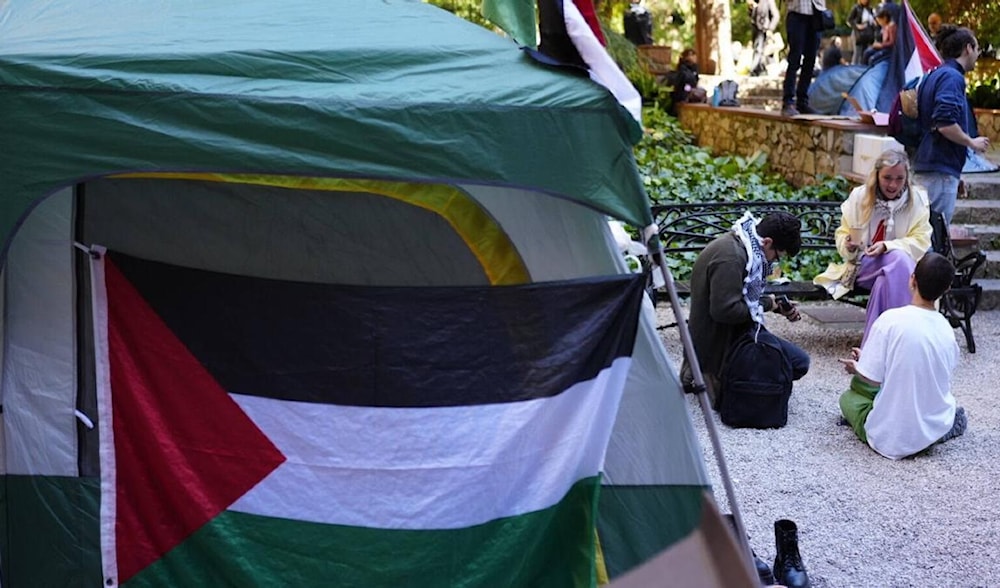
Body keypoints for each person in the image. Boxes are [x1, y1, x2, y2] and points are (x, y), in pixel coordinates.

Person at [837, 252, 966, 460]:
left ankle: (922, 433)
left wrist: (857, 366)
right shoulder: (946, 328)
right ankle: (938, 431)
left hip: (889, 436)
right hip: (934, 419)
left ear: (912, 279)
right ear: (947, 289)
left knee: (849, 397)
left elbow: (872, 378)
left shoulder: (890, 319)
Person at [682, 212, 810, 408]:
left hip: (734, 331)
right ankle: (711, 374)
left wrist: (775, 305)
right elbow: (726, 311)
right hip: (719, 341)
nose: (775, 261)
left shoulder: (745, 245)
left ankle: (721, 376)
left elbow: (743, 297)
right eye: (777, 255)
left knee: (798, 361)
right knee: (797, 363)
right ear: (767, 242)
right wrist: (768, 304)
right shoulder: (731, 258)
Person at [813, 149, 933, 346]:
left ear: (907, 177)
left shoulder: (917, 200)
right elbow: (843, 234)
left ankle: (873, 348)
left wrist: (887, 246)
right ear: (877, 175)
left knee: (886, 279)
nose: (893, 184)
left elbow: (921, 240)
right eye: (887, 178)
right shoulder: (859, 197)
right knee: (899, 260)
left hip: (900, 272)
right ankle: (906, 339)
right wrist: (849, 245)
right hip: (862, 267)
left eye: (899, 178)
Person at [912, 26, 992, 226]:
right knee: (932, 236)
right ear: (967, 48)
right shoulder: (952, 77)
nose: (977, 54)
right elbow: (945, 123)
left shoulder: (936, 74)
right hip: (938, 168)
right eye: (977, 49)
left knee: (924, 232)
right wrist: (971, 142)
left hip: (934, 165)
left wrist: (955, 174)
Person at [782, 0, 827, 116]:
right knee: (794, 59)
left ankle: (802, 101)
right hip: (797, 14)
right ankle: (788, 102)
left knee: (811, 60)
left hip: (816, 14)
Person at [749, 0, 779, 76]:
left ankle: (754, 69)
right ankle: (759, 70)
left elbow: (776, 16)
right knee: (758, 50)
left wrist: (770, 29)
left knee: (759, 50)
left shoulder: (769, 1)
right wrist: (752, 9)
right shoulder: (756, 2)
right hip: (756, 29)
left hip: (764, 29)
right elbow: (753, 17)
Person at [668, 49, 701, 116]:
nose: (694, 57)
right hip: (681, 94)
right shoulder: (683, 69)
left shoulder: (694, 68)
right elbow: (685, 84)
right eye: (692, 55)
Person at [847, 0, 877, 65]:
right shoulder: (856, 8)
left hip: (867, 34)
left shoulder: (870, 9)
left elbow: (873, 21)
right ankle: (854, 69)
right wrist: (857, 26)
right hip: (858, 34)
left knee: (865, 53)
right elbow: (849, 20)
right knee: (857, 52)